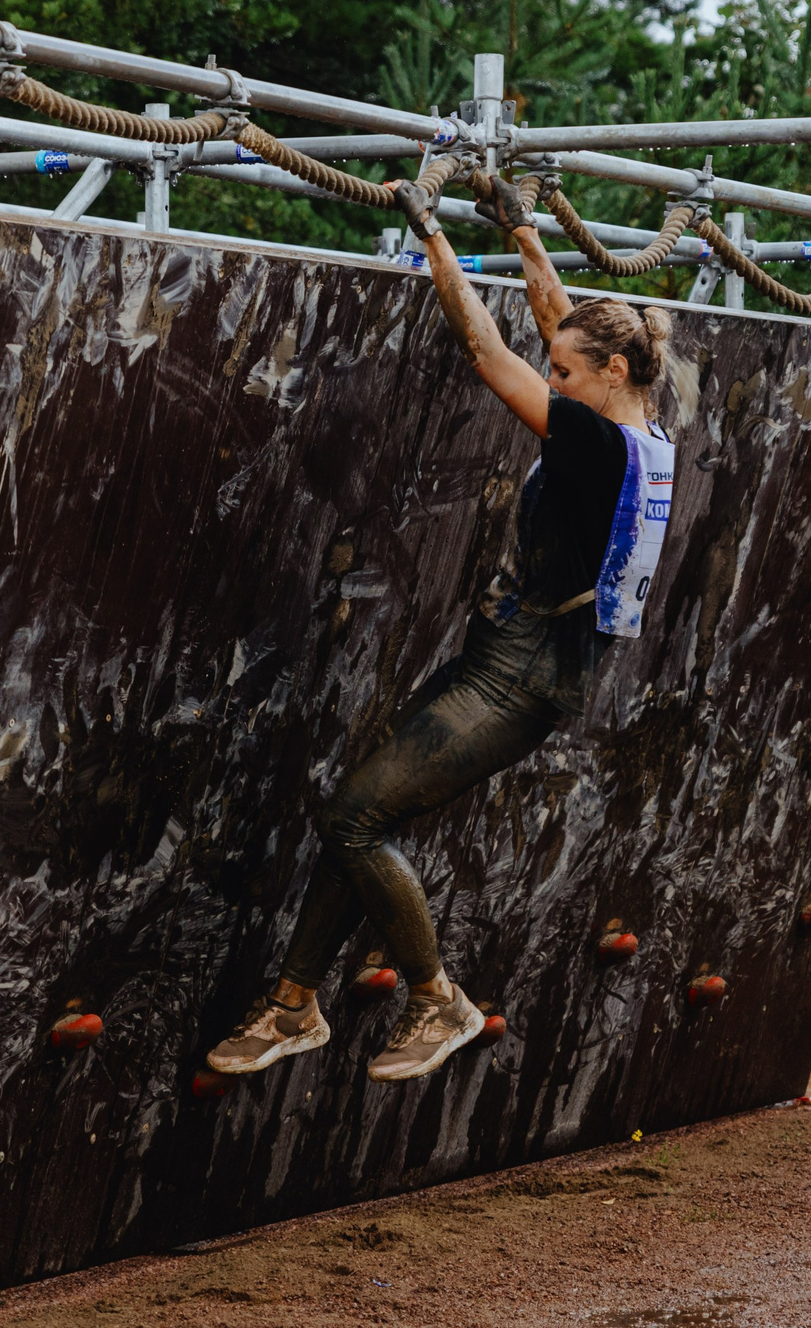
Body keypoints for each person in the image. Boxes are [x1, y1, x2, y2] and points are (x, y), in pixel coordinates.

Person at [202, 169, 676, 1084]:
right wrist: (527, 234)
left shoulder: (593, 441)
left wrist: (431, 235)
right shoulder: (641, 431)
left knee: (352, 818)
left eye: (567, 373)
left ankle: (437, 999)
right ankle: (295, 1004)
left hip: (521, 673)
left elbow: (489, 350)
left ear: (610, 374)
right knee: (360, 814)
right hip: (520, 661)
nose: (552, 376)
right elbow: (556, 327)